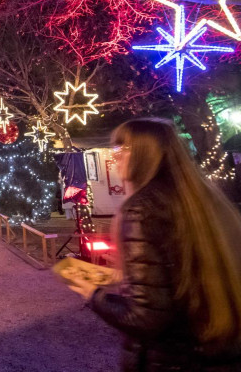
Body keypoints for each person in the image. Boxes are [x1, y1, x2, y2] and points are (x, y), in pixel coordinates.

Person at [67, 118, 241, 372]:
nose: (115, 158)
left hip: (174, 358)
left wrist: (93, 294)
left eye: (122, 150)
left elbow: (146, 317)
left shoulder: (141, 209)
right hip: (218, 350)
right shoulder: (200, 199)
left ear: (144, 155)